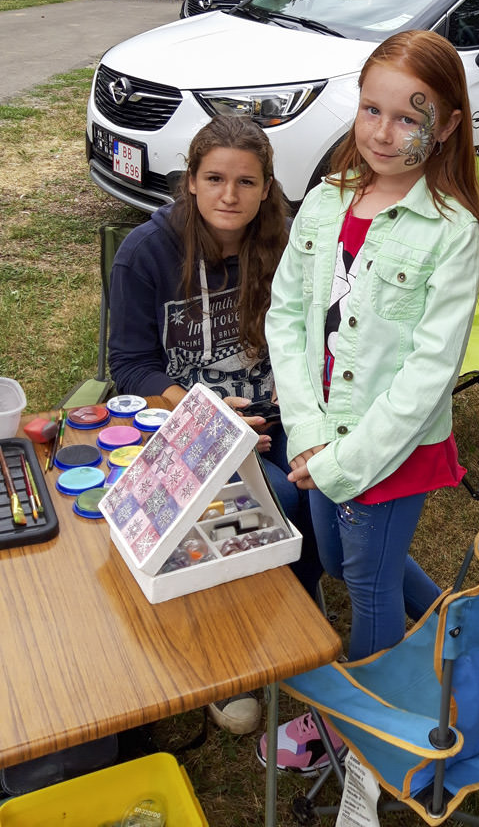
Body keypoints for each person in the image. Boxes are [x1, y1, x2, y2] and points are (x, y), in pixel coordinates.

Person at [261, 29, 479, 772]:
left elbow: (429, 372)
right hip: (318, 436)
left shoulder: (451, 231)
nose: (383, 134)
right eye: (371, 110)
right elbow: (287, 316)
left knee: (366, 583)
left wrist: (344, 462)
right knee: (337, 557)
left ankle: (358, 731)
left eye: (408, 117)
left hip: (389, 448)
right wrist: (306, 436)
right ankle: (456, 622)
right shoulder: (326, 202)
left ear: (446, 126)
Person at [107, 114, 322, 735]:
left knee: (321, 486)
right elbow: (131, 365)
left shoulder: (288, 241)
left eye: (246, 182)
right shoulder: (146, 253)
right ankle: (235, 656)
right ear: (191, 182)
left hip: (281, 409)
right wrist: (203, 411)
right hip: (190, 420)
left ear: (267, 188)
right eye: (215, 179)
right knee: (275, 499)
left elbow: (315, 330)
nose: (230, 195)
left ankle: (296, 615)